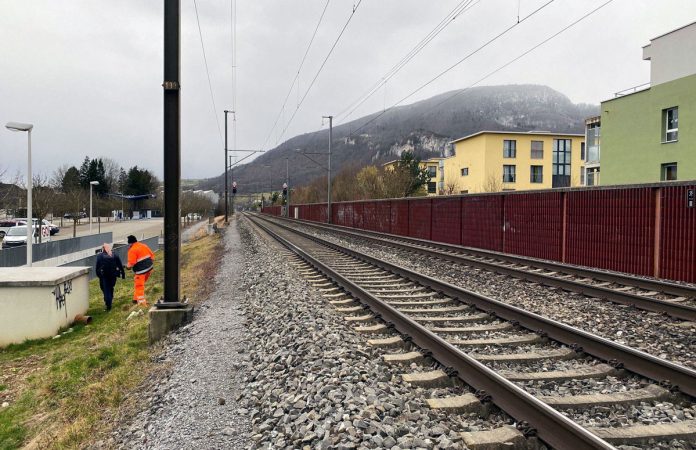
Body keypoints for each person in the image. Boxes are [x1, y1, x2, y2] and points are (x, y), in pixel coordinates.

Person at [125, 235, 155, 306]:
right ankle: (135, 299)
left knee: (139, 286)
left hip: (141, 271)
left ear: (130, 243)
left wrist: (127, 267)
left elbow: (131, 263)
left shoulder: (132, 250)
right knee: (140, 284)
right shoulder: (143, 245)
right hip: (149, 268)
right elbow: (152, 256)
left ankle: (141, 302)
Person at [95, 243, 125, 311]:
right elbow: (120, 265)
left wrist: (98, 275)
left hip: (104, 276)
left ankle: (108, 304)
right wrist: (123, 274)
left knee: (105, 289)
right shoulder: (115, 255)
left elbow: (97, 267)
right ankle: (110, 299)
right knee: (110, 288)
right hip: (113, 275)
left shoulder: (100, 256)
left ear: (103, 249)